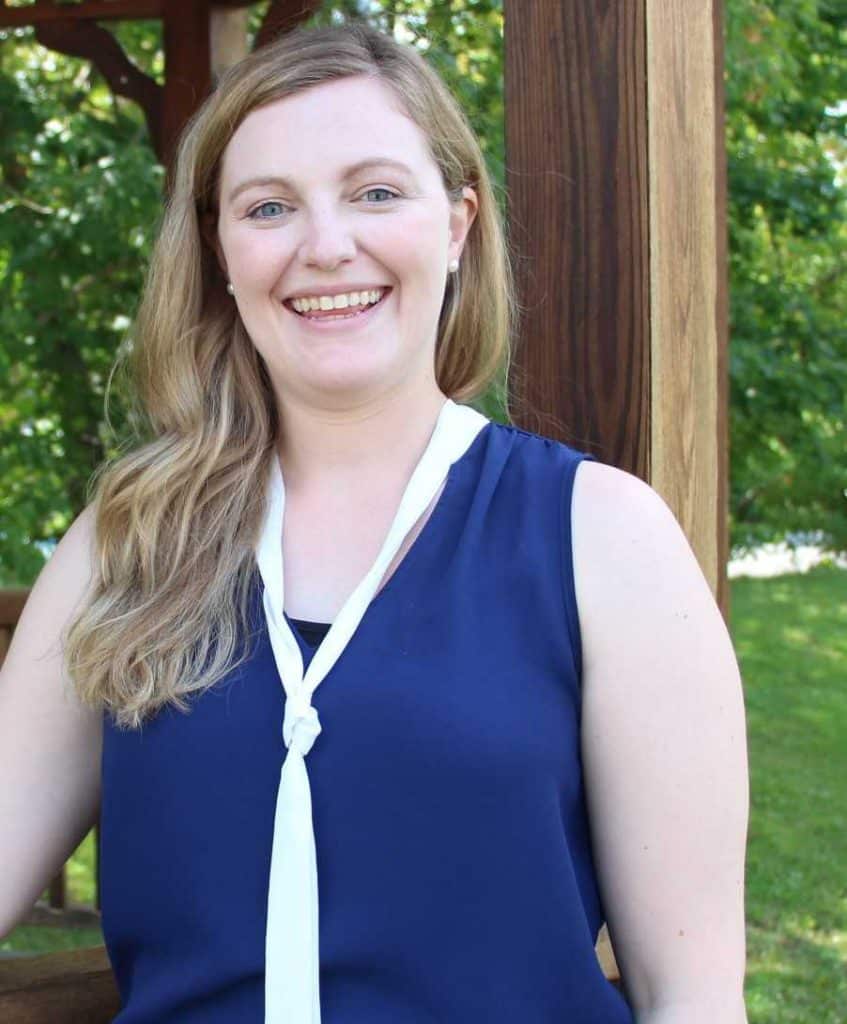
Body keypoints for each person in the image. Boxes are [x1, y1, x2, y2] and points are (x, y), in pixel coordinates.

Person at [0, 19, 749, 1024]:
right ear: (221, 249)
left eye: (376, 192)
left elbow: (690, 999)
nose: (324, 246)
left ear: (456, 223)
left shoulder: (600, 537)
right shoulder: (127, 541)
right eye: (269, 207)